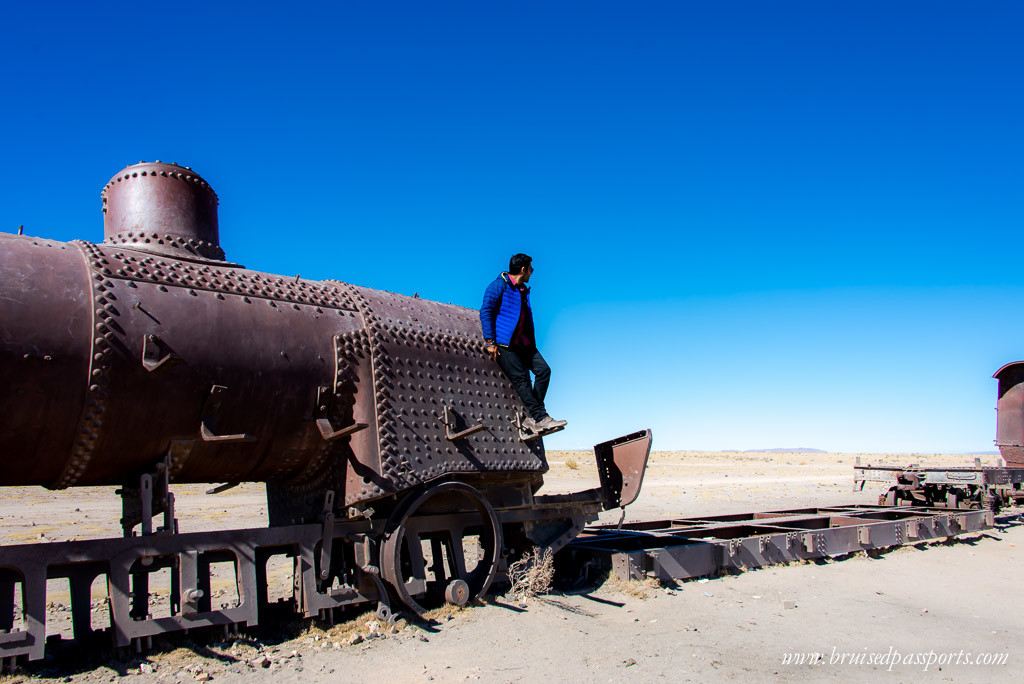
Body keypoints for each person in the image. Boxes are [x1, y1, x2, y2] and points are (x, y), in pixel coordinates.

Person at [480, 253, 567, 433]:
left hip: (525, 345)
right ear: (523, 269)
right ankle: (541, 417)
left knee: (544, 371)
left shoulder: (522, 290)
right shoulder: (499, 286)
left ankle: (532, 416)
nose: (531, 272)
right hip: (506, 344)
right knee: (522, 379)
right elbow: (486, 311)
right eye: (530, 269)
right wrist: (490, 341)